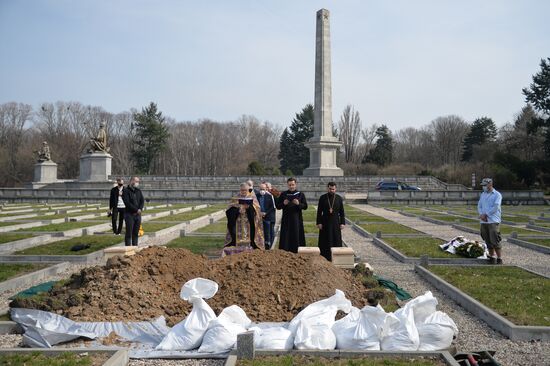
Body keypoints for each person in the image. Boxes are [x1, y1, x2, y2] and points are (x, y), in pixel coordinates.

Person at [224, 182, 265, 255]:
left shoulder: (252, 197)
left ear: (248, 189)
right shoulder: (235, 198)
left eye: (245, 190)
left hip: (249, 222)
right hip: (238, 222)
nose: (243, 192)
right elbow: (229, 211)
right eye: (242, 190)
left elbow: (257, 210)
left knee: (250, 235)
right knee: (236, 234)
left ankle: (251, 247)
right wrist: (238, 209)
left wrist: (249, 208)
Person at [276, 177, 307, 253]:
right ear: (287, 185)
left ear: (295, 184)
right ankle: (285, 251)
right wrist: (283, 203)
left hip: (297, 219)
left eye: (293, 185)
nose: (291, 186)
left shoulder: (300, 194)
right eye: (290, 185)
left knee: (297, 235)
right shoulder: (283, 194)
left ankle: (297, 251)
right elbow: (278, 206)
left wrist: (298, 204)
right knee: (286, 235)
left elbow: (305, 206)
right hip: (286, 219)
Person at [316, 182, 346, 261]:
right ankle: (324, 257)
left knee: (335, 239)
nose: (331, 190)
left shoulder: (339, 198)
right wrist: (319, 222)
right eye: (330, 189)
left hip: (335, 222)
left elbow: (342, 212)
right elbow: (319, 211)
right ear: (327, 188)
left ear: (335, 189)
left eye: (333, 189)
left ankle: (336, 257)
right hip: (325, 222)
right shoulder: (323, 198)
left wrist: (342, 222)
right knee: (325, 240)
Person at [477, 178, 503, 264]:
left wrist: (486, 214)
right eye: (483, 185)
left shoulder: (497, 195)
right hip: (484, 221)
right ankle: (492, 257)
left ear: (490, 184)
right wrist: (481, 214)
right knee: (487, 239)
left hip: (493, 220)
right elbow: (479, 206)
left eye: (485, 185)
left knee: (494, 239)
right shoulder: (483, 194)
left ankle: (499, 258)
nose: (483, 187)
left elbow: (496, 207)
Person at [122, 176, 144, 246]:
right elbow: (127, 203)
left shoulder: (138, 191)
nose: (137, 183)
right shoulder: (125, 190)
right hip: (129, 215)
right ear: (131, 181)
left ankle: (135, 248)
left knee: (135, 233)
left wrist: (140, 209)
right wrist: (136, 210)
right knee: (129, 233)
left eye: (138, 181)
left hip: (137, 215)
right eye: (136, 181)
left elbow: (142, 201)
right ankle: (128, 249)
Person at [256, 183, 276, 249]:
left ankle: (268, 245)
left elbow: (272, 207)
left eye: (263, 189)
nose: (262, 190)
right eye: (261, 189)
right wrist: (259, 213)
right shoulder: (256, 196)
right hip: (259, 216)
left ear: (266, 189)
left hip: (267, 217)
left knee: (268, 232)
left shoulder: (269, 196)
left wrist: (265, 213)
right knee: (260, 232)